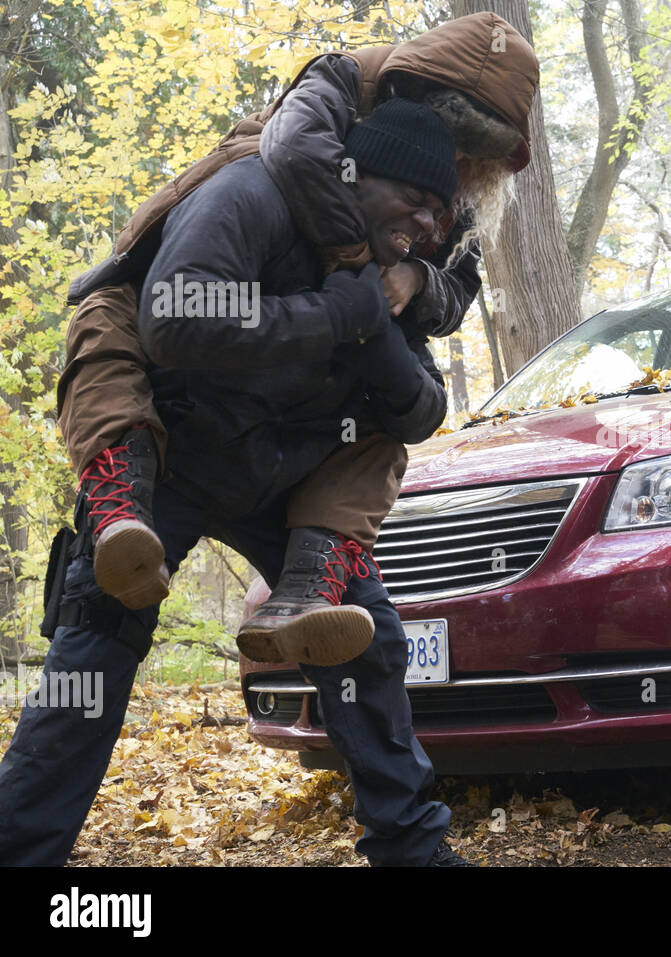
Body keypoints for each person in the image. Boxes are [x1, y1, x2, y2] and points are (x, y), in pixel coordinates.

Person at [0, 103, 474, 866]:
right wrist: (332, 314)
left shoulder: (390, 276)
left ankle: (413, 851)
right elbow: (176, 315)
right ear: (355, 173)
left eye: (437, 214)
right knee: (95, 640)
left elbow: (419, 408)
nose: (424, 222)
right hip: (173, 451)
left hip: (291, 479)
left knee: (367, 643)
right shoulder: (252, 194)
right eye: (412, 200)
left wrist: (376, 313)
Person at [57, 11, 538, 665]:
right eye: (444, 142)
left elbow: (455, 293)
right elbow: (297, 152)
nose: (448, 165)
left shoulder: (429, 204)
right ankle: (119, 508)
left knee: (370, 596)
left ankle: (313, 588)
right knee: (108, 351)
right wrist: (354, 271)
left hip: (287, 423)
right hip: (171, 371)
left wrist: (415, 280)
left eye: (464, 159)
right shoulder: (321, 111)